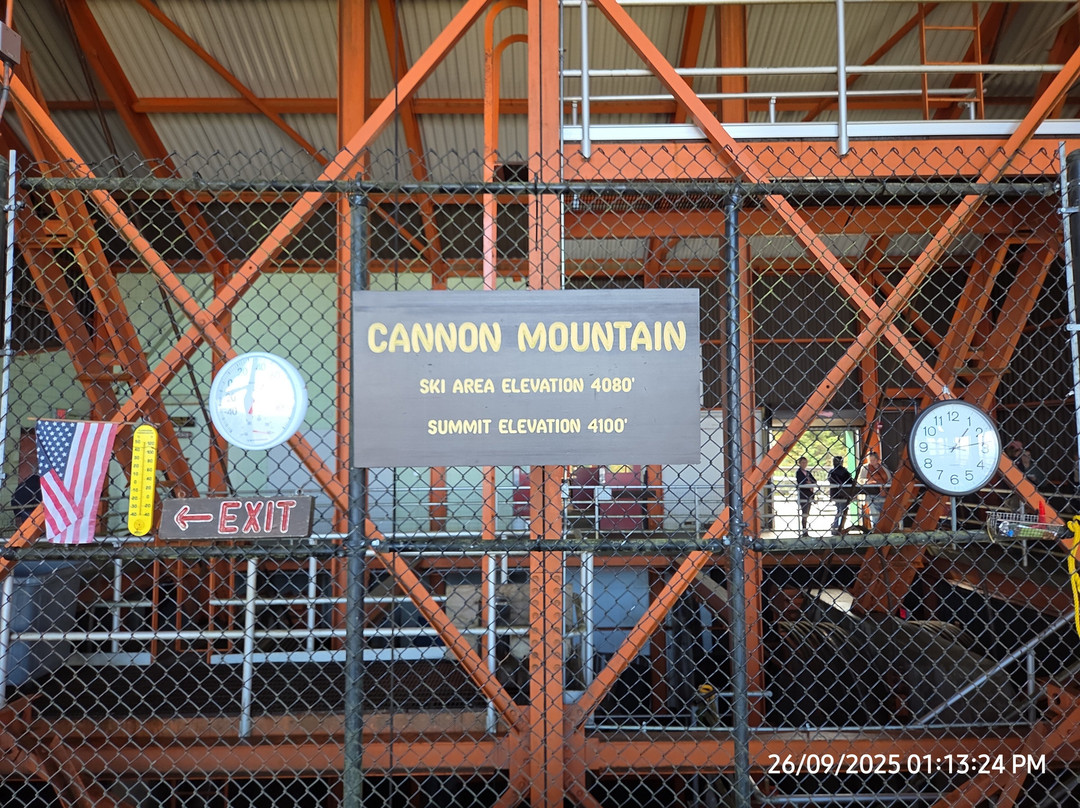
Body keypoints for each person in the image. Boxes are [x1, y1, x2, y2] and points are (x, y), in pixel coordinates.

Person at [859, 451, 892, 529]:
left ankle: (883, 528)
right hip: (871, 493)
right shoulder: (865, 467)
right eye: (870, 460)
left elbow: (889, 478)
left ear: (877, 460)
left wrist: (886, 485)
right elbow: (860, 479)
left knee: (884, 511)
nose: (871, 462)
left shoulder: (883, 467)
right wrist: (868, 482)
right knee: (874, 512)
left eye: (873, 460)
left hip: (883, 492)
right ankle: (875, 528)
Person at [827, 456, 856, 534]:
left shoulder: (832, 472)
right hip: (843, 493)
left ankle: (837, 526)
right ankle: (838, 527)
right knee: (842, 510)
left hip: (836, 493)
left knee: (840, 510)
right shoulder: (844, 472)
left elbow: (831, 480)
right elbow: (850, 481)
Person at [795, 457, 816, 537]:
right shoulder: (798, 472)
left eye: (805, 462)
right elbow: (801, 482)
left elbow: (814, 480)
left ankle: (805, 529)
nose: (804, 464)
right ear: (799, 463)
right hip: (803, 494)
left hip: (809, 494)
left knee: (807, 512)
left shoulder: (807, 472)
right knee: (804, 512)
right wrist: (808, 482)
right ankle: (804, 530)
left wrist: (809, 482)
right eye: (802, 462)